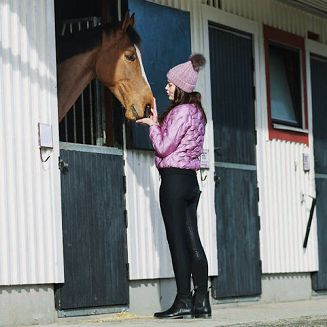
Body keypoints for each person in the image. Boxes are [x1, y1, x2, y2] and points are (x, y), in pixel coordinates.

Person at [136, 54, 211, 319]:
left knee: (177, 241)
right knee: (192, 238)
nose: (166, 87)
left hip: (174, 182)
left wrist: (153, 125)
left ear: (180, 87)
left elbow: (163, 146)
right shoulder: (197, 113)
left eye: (170, 84)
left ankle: (183, 301)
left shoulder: (180, 112)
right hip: (190, 181)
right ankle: (201, 299)